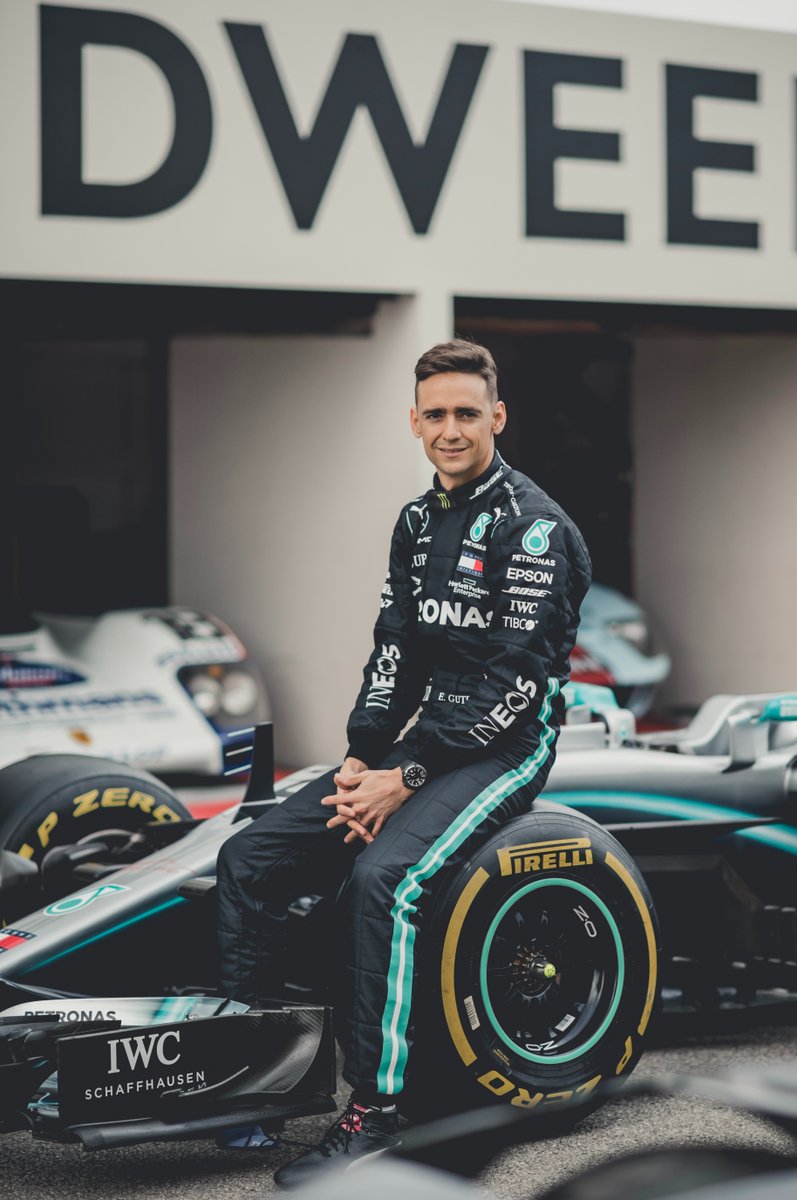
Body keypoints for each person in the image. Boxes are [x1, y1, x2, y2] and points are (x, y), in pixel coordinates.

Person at [215, 339, 592, 1186]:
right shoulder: (417, 522)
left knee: (384, 879)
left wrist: (406, 777)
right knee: (249, 858)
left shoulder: (535, 528)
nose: (451, 429)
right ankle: (262, 1083)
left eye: (467, 413)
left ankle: (378, 1113)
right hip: (422, 744)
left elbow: (512, 686)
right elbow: (396, 654)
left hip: (508, 745)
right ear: (414, 423)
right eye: (436, 415)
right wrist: (360, 758)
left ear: (497, 418)